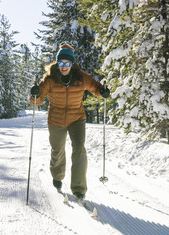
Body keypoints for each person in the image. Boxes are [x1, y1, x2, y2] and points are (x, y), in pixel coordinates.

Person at [30, 44, 110, 200]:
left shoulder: (81, 77)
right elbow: (37, 101)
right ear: (57, 63)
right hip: (56, 119)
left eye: (67, 63)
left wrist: (103, 91)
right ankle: (58, 176)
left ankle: (79, 188)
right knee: (57, 149)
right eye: (61, 63)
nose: (64, 66)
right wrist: (35, 94)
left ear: (72, 64)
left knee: (79, 148)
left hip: (76, 118)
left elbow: (96, 88)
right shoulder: (50, 79)